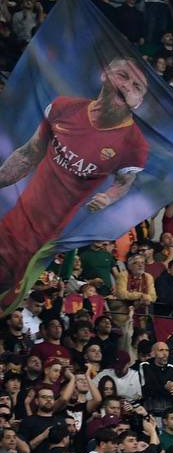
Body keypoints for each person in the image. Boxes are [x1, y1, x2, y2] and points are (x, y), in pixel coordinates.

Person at [0, 57, 150, 305]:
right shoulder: (64, 107)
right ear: (104, 75)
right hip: (12, 220)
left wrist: (108, 197)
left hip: (43, 243)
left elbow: (124, 183)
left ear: (139, 101)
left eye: (136, 86)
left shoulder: (134, 144)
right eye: (123, 76)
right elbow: (28, 155)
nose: (127, 87)